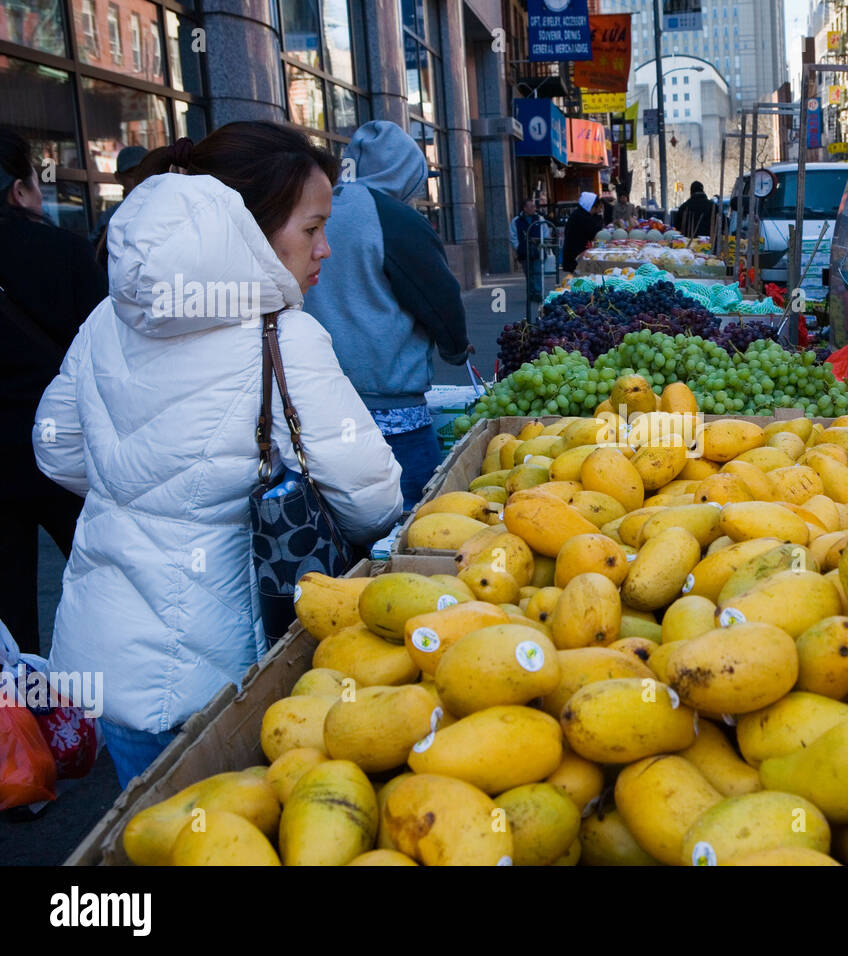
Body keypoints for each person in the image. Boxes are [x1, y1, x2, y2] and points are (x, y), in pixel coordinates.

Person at [32, 123, 403, 787]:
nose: (326, 249)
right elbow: (371, 494)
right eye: (312, 228)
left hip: (106, 656)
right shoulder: (283, 335)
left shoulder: (106, 320)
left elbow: (55, 449)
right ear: (246, 229)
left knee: (148, 831)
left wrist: (139, 493)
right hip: (228, 673)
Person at [302, 121, 470, 509]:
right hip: (392, 414)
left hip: (321, 406)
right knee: (408, 524)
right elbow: (439, 298)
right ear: (406, 173)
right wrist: (455, 348)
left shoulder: (320, 210)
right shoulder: (394, 219)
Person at [0, 130, 107, 656]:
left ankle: (21, 720)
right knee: (100, 579)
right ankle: (103, 699)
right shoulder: (66, 251)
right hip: (67, 447)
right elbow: (104, 352)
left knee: (10, 605)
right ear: (19, 189)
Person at [89, 145, 147, 269]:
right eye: (131, 175)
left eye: (144, 172)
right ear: (118, 178)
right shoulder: (111, 218)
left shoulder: (172, 206)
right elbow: (94, 256)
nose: (139, 179)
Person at [511, 198, 550, 304]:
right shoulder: (516, 221)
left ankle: (538, 293)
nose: (534, 208)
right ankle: (531, 293)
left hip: (538, 250)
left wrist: (543, 244)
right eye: (531, 206)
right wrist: (518, 247)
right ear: (525, 208)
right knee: (529, 273)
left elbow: (546, 233)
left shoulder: (540, 219)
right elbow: (513, 236)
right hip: (524, 251)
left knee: (537, 272)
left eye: (534, 206)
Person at [562, 191, 605, 274]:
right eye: (596, 208)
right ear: (590, 206)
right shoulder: (583, 217)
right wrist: (605, 245)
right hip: (576, 258)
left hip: (576, 256)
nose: (597, 210)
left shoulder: (579, 214)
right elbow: (594, 235)